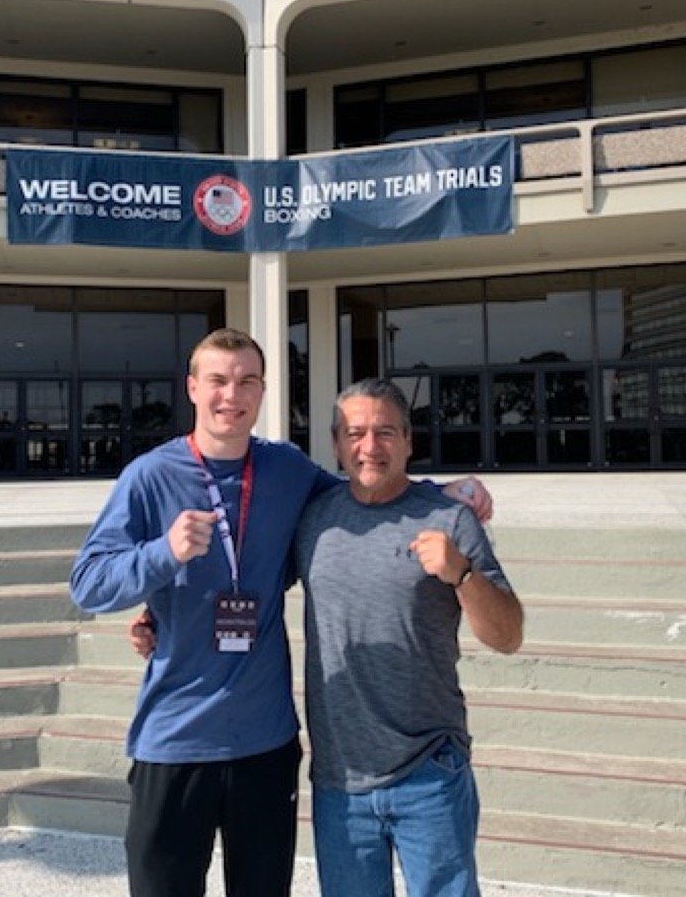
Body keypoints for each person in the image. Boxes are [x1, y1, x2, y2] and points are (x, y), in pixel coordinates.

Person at [70, 328, 491, 897]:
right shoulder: (150, 476)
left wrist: (444, 490)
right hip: (174, 741)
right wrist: (161, 555)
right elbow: (89, 584)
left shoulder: (287, 471)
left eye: (246, 381)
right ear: (193, 387)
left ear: (262, 391)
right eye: (217, 380)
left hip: (264, 747)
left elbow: (364, 490)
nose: (231, 394)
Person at [294, 377, 523, 897]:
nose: (369, 447)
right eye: (354, 433)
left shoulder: (450, 518)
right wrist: (158, 615)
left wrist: (463, 574)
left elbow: (507, 635)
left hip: (430, 773)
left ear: (409, 441)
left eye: (385, 432)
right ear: (335, 443)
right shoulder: (312, 522)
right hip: (340, 781)